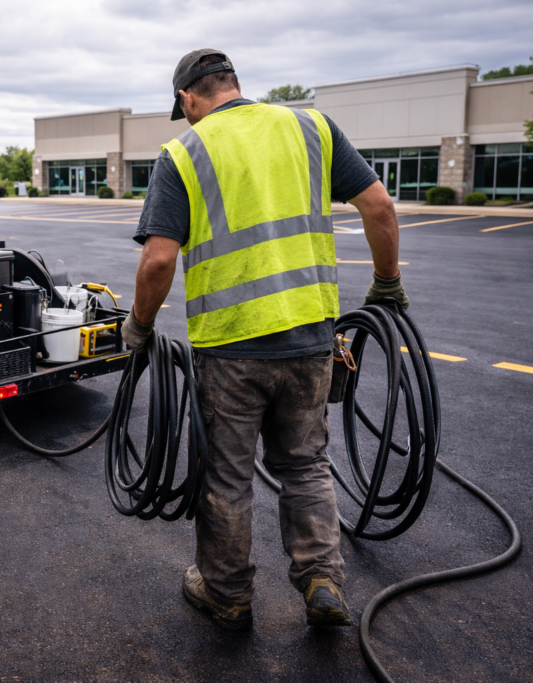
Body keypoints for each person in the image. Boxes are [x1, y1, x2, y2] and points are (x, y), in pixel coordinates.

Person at [121, 49, 407, 631]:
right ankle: (322, 579)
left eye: (187, 110)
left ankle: (226, 594)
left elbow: (157, 261)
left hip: (230, 350)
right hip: (310, 337)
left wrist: (140, 329)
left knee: (227, 475)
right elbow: (378, 205)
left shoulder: (184, 152)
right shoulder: (310, 126)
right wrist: (387, 285)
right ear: (235, 84)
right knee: (305, 464)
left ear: (188, 99)